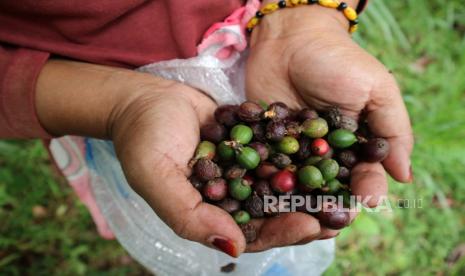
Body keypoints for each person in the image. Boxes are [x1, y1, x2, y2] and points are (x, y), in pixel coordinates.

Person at [0, 0, 413, 258]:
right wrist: (117, 107)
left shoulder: (287, 142)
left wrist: (307, 18)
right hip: (82, 95)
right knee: (156, 194)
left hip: (262, 45)